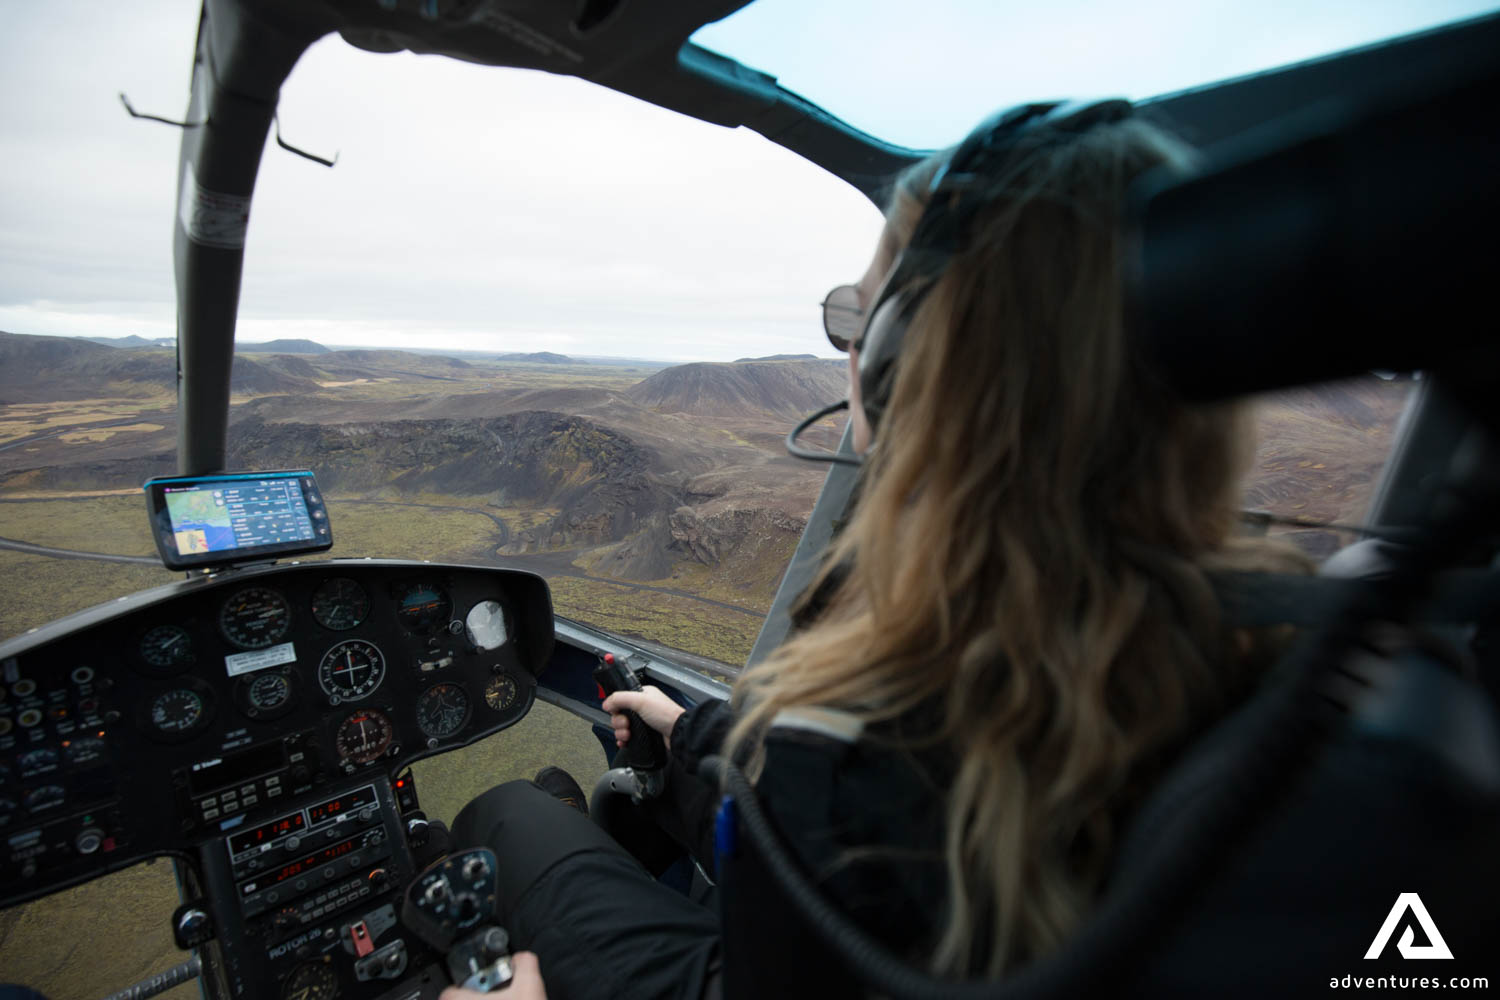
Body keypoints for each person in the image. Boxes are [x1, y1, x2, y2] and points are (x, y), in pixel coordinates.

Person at [443, 102, 1307, 998]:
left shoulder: (877, 742)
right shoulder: (1307, 650)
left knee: (507, 817)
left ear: (904, 362)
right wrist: (693, 728)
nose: (853, 349)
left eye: (859, 316)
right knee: (605, 812)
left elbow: (839, 829)